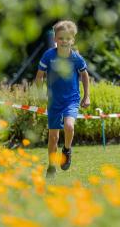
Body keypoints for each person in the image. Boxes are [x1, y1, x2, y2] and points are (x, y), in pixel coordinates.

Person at [35, 20, 90, 178]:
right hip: (54, 101)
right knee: (53, 137)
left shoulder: (76, 58)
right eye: (60, 38)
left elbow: (85, 76)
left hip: (71, 99)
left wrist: (86, 97)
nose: (64, 41)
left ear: (72, 40)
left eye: (67, 38)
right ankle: (51, 166)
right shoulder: (48, 55)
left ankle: (66, 149)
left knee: (69, 126)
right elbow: (39, 77)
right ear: (55, 40)